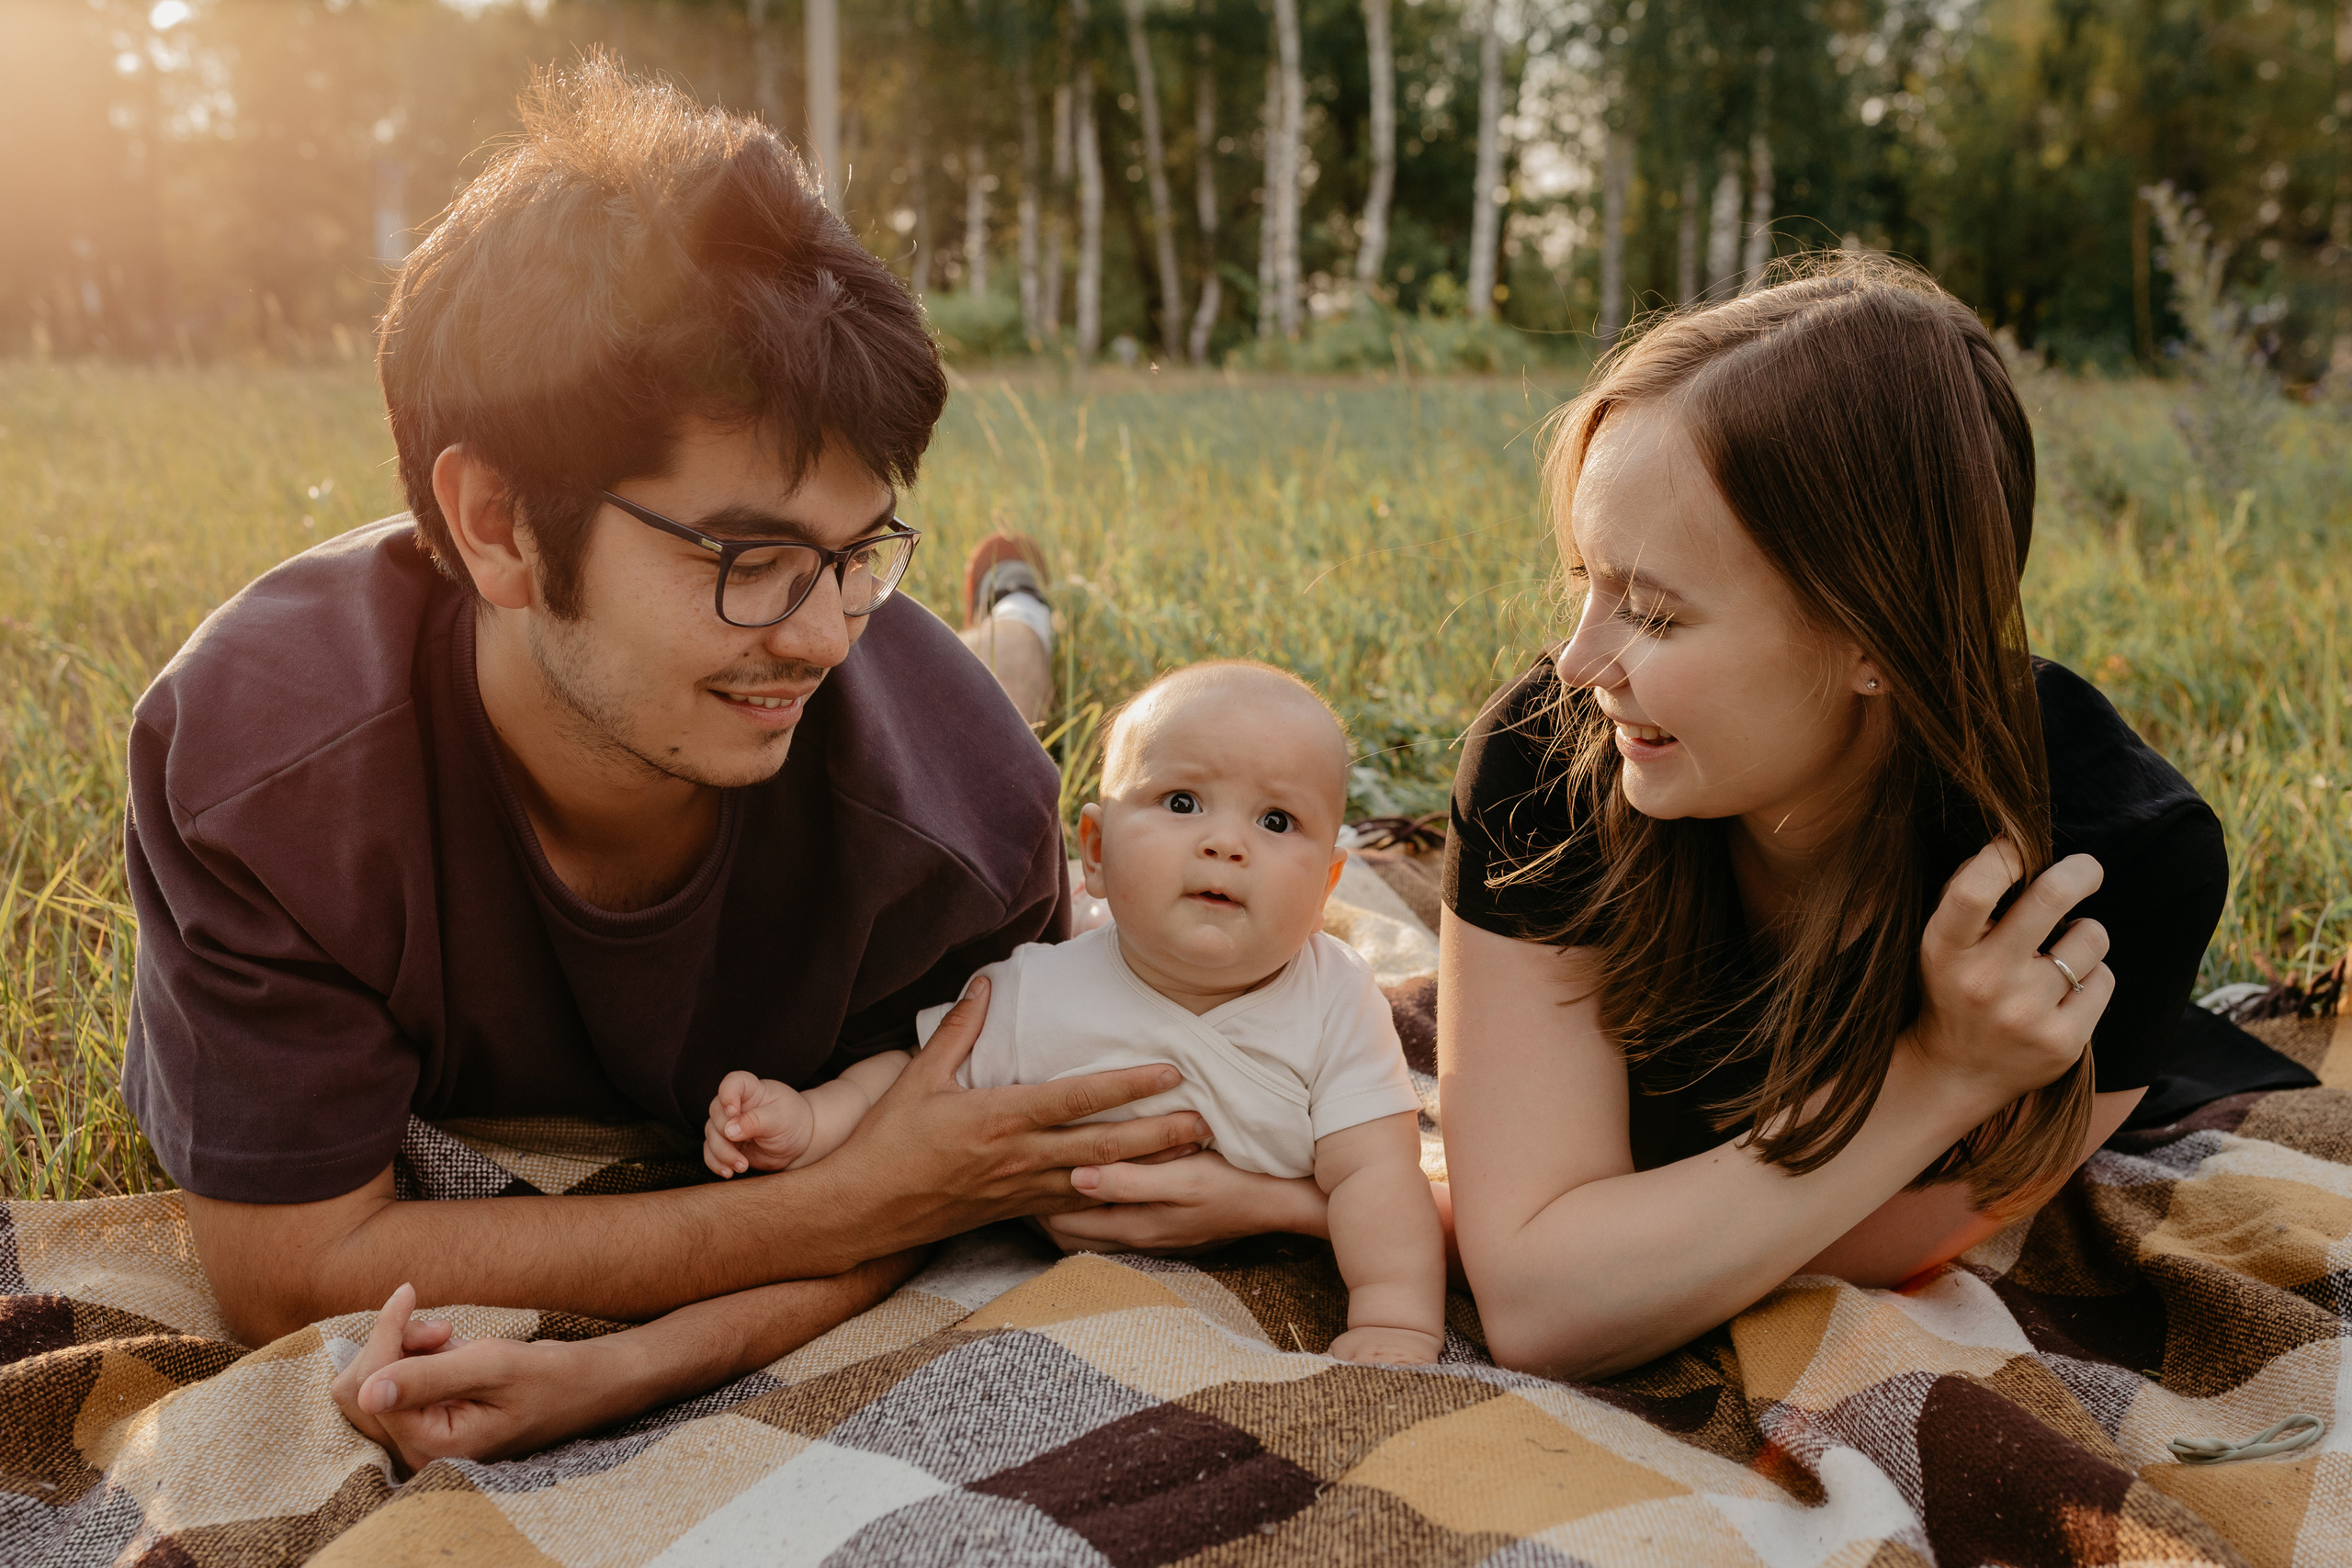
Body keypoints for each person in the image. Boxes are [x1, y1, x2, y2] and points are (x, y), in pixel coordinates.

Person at [120, 60, 1214, 1472]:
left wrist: (631, 1366)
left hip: (953, 729)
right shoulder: (262, 764)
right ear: (498, 523)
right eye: (748, 556)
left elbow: (953, 1189)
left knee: (987, 695)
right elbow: (285, 1262)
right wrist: (826, 1205)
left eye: (862, 547)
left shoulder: (965, 813)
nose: (822, 633)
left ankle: (1015, 619)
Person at [1438, 256, 2228, 1379]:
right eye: (1586, 580)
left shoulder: (2106, 867)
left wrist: (1943, 1071)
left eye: (1654, 614)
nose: (1578, 663)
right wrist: (1942, 1078)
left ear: (1872, 638)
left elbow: (1581, 1298)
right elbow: (1540, 1292)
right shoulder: (1544, 760)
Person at [696, 663, 1446, 1364]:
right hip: (1071, 1263)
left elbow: (1378, 1178)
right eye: (1182, 803)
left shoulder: (1336, 1000)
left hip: (1272, 1258)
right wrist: (810, 1120)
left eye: (1277, 821)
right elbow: (911, 1082)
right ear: (1094, 848)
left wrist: (1394, 1319)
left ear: (1326, 887)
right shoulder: (1035, 991)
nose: (1225, 844)